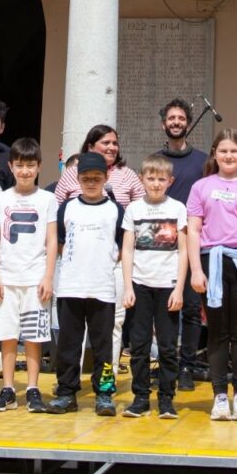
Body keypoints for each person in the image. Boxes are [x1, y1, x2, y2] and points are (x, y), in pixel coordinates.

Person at [186, 129, 237, 422]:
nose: (229, 156)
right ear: (214, 154)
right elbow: (194, 230)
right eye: (223, 151)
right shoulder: (201, 186)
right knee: (218, 332)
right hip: (213, 262)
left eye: (234, 151)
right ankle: (220, 395)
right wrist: (196, 269)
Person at [52, 125, 145, 376]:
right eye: (106, 143)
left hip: (110, 267)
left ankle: (106, 383)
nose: (112, 147)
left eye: (115, 143)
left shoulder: (123, 186)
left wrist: (117, 254)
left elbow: (137, 215)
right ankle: (68, 386)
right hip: (74, 270)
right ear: (91, 145)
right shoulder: (70, 183)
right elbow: (57, 225)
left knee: (110, 328)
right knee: (71, 334)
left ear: (105, 179)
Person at [47, 151, 129, 416]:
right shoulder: (67, 207)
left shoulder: (115, 210)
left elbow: (123, 245)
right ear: (78, 179)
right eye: (86, 178)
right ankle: (66, 392)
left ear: (105, 178)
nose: (91, 182)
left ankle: (104, 393)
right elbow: (58, 242)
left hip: (103, 289)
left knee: (103, 348)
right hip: (70, 286)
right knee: (68, 345)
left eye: (96, 178)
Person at [0, 137, 57, 414]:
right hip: (7, 276)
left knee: (34, 336)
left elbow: (52, 240)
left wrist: (48, 276)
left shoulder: (47, 199)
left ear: (39, 167)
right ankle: (7, 388)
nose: (25, 171)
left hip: (35, 277)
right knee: (7, 334)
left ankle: (33, 388)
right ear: (11, 166)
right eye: (19, 165)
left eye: (30, 165)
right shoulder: (1, 199)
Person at [123, 153, 188, 419]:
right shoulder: (133, 209)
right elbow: (127, 249)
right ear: (142, 179)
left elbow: (183, 251)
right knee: (138, 345)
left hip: (168, 285)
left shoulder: (178, 208)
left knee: (168, 345)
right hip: (140, 284)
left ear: (170, 181)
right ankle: (140, 397)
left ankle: (166, 398)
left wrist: (179, 288)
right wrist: (127, 286)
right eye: (151, 178)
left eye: (161, 179)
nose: (156, 183)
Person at [155, 99, 208, 391]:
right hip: (160, 242)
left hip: (193, 241)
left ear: (187, 123)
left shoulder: (202, 161)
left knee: (190, 307)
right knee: (164, 308)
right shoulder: (155, 160)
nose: (176, 122)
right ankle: (167, 365)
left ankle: (187, 365)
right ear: (164, 124)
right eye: (171, 118)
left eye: (180, 118)